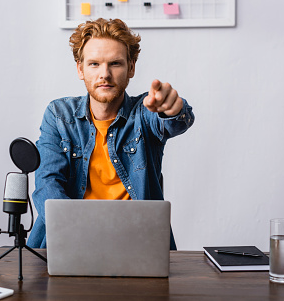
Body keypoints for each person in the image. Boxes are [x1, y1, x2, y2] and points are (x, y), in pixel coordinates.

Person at [27, 18, 194, 249]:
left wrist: (172, 109)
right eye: (94, 64)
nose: (104, 74)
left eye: (115, 63)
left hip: (138, 245)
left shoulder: (144, 113)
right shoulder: (59, 115)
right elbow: (47, 183)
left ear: (131, 68)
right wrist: (79, 232)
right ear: (80, 69)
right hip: (70, 239)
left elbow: (173, 121)